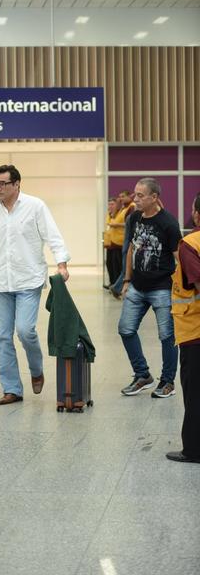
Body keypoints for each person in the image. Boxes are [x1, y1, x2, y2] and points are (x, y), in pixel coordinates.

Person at [0, 164, 70, 405]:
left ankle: (36, 370)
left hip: (28, 279)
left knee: (25, 331)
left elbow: (52, 235)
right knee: (3, 337)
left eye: (3, 183)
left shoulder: (35, 206)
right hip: (1, 282)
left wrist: (62, 262)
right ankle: (12, 388)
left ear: (17, 184)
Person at [119, 177, 182, 398]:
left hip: (162, 288)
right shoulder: (135, 218)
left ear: (154, 197)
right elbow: (130, 249)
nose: (135, 199)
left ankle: (167, 382)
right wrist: (126, 280)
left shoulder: (168, 223)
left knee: (167, 336)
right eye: (135, 194)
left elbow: (179, 258)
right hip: (137, 286)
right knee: (125, 329)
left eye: (140, 195)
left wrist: (180, 288)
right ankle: (142, 375)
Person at [167, 193, 200, 463]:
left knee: (195, 392)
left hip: (195, 331)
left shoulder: (191, 244)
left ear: (197, 214)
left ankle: (193, 449)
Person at [104, 197, 123, 286]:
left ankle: (117, 284)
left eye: (112, 204)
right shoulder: (109, 214)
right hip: (109, 243)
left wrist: (115, 224)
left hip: (118, 243)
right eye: (109, 204)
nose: (110, 206)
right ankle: (112, 283)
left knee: (117, 265)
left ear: (117, 205)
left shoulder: (120, 213)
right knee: (109, 264)